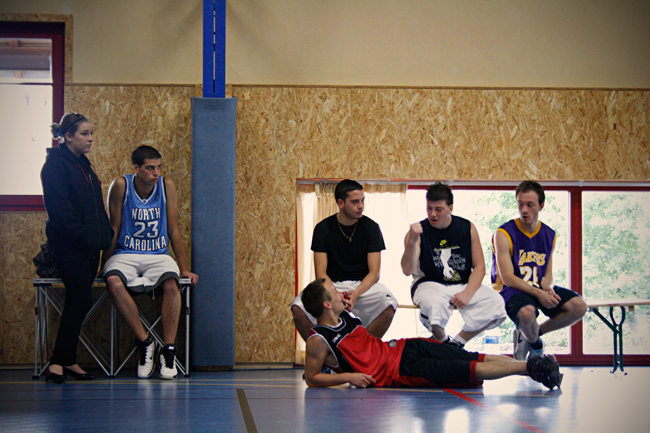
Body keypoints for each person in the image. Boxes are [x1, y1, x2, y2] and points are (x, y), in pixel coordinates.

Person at [302, 278, 562, 390]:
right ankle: (533, 367)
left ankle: (535, 366)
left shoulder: (346, 316)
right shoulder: (318, 339)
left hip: (404, 347)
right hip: (401, 371)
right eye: (334, 291)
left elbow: (364, 346)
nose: (340, 293)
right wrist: (349, 377)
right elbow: (312, 378)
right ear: (326, 304)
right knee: (469, 369)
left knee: (471, 357)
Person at [101, 145, 198, 379]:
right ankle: (145, 342)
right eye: (150, 168)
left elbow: (173, 229)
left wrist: (184, 268)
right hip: (125, 253)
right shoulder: (121, 185)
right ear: (136, 168)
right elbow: (113, 228)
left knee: (172, 284)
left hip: (158, 254)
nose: (156, 173)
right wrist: (102, 264)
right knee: (112, 281)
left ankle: (168, 350)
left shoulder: (166, 185)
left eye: (159, 167)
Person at [40, 113, 114, 383]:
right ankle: (57, 362)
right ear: (68, 136)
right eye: (84, 133)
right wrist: (85, 238)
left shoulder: (84, 165)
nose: (90, 138)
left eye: (92, 133)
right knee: (80, 300)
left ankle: (68, 360)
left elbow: (95, 205)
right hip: (69, 247)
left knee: (78, 302)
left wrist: (105, 234)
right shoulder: (54, 166)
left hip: (89, 247)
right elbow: (60, 212)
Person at [401, 183, 507, 348]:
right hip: (429, 283)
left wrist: (467, 293)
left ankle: (457, 343)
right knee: (434, 305)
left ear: (450, 208)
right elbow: (407, 271)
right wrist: (412, 242)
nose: (432, 214)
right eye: (429, 208)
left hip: (462, 283)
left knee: (496, 303)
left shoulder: (467, 227)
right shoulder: (417, 232)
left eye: (438, 209)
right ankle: (443, 340)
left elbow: (479, 267)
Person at [291, 179, 398, 341]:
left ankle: (361, 350)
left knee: (389, 304)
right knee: (298, 307)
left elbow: (374, 274)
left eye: (362, 201)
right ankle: (324, 351)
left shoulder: (371, 228)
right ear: (340, 203)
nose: (361, 206)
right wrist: (336, 294)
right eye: (355, 202)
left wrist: (355, 293)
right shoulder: (322, 228)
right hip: (331, 286)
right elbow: (321, 274)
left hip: (362, 287)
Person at [492, 180, 587, 360]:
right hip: (512, 289)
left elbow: (548, 273)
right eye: (520, 204)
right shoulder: (503, 233)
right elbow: (507, 278)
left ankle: (529, 336)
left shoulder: (549, 234)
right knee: (527, 312)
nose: (524, 210)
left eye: (530, 205)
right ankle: (536, 345)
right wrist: (539, 293)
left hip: (537, 286)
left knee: (579, 306)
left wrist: (547, 288)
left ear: (541, 206)